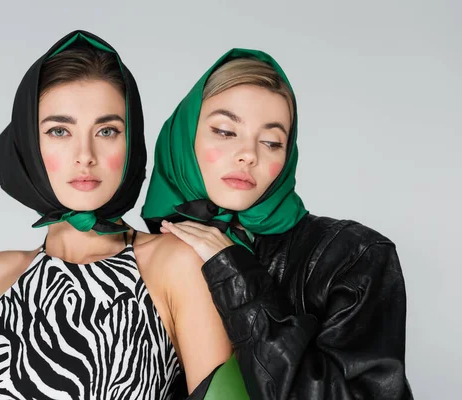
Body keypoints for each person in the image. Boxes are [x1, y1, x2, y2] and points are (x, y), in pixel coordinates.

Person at [0, 31, 232, 400]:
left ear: (131, 140)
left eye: (106, 131)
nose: (84, 154)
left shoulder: (174, 264)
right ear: (29, 142)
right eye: (60, 131)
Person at [142, 48, 413, 399]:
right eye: (225, 132)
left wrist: (235, 276)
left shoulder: (356, 256)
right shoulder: (148, 258)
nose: (249, 154)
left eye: (271, 142)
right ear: (184, 137)